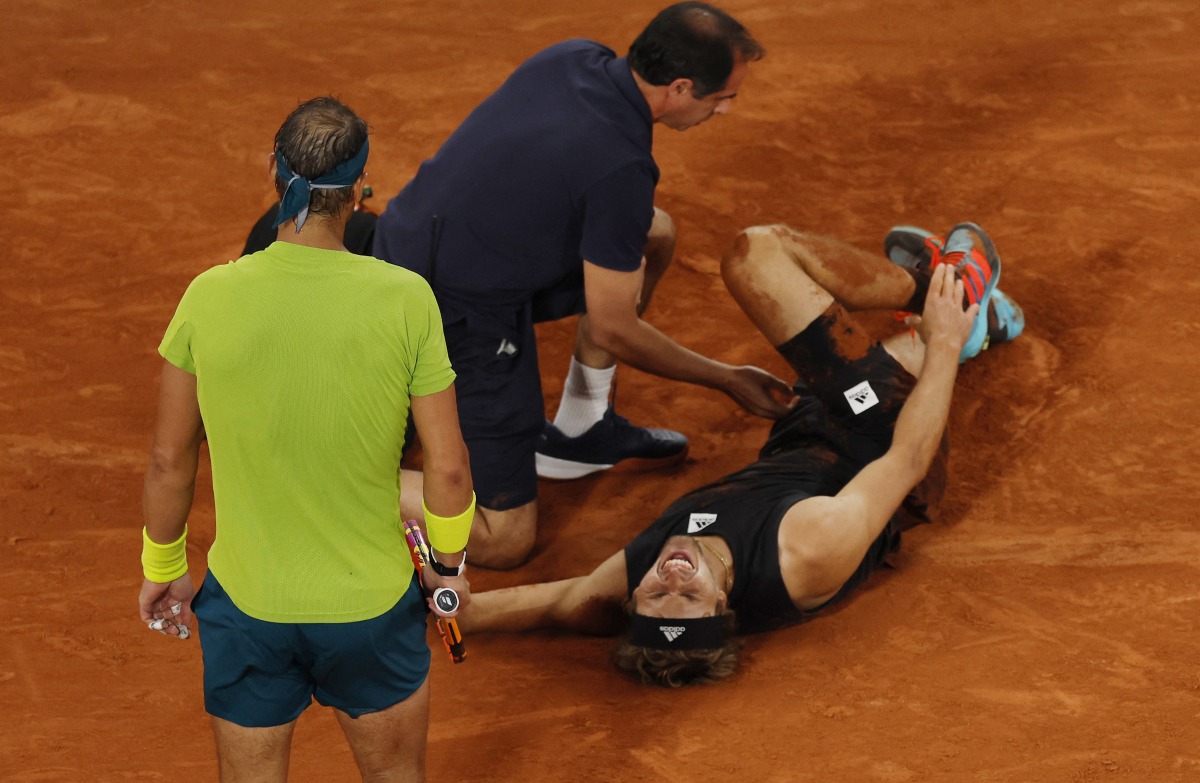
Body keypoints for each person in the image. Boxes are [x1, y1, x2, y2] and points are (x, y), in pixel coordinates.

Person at [459, 221, 1026, 686]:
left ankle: (955, 329)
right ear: (723, 604)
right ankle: (952, 292)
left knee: (851, 344)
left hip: (802, 433)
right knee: (758, 255)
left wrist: (459, 610)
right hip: (881, 434)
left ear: (632, 601)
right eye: (689, 595)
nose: (673, 576)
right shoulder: (805, 550)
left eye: (657, 593)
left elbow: (561, 604)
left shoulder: (636, 580)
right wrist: (945, 341)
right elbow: (907, 460)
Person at [365, 1, 797, 570]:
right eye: (722, 98)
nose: (725, 110)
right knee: (503, 538)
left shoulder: (572, 55)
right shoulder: (620, 166)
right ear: (680, 88)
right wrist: (727, 379)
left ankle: (581, 428)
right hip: (449, 312)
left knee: (652, 233)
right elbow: (616, 328)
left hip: (414, 242)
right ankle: (329, 472)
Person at [138, 96, 476, 781]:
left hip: (247, 610)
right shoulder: (407, 297)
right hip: (372, 610)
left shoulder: (207, 296)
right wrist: (448, 563)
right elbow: (447, 468)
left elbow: (169, 457)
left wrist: (162, 562)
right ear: (359, 189)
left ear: (274, 171)